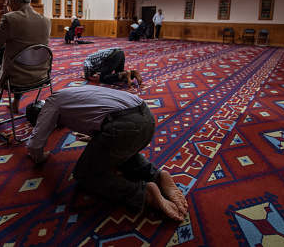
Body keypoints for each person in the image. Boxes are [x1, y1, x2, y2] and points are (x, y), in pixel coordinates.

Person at [25, 85, 188, 221]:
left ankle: (144, 193)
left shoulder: (51, 105)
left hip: (123, 128)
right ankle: (156, 175)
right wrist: (96, 136)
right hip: (147, 119)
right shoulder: (69, 91)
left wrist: (42, 157)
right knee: (117, 150)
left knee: (84, 174)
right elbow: (99, 107)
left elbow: (34, 145)